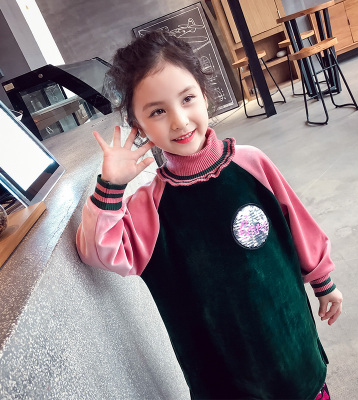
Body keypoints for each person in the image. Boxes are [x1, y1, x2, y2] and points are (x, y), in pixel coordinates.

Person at [76, 30, 343, 400]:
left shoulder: (252, 164)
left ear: (204, 95)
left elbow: (298, 225)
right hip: (223, 381)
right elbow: (97, 252)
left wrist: (322, 281)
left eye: (187, 99)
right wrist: (111, 186)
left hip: (294, 354)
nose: (179, 121)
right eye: (157, 111)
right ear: (139, 127)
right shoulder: (149, 208)